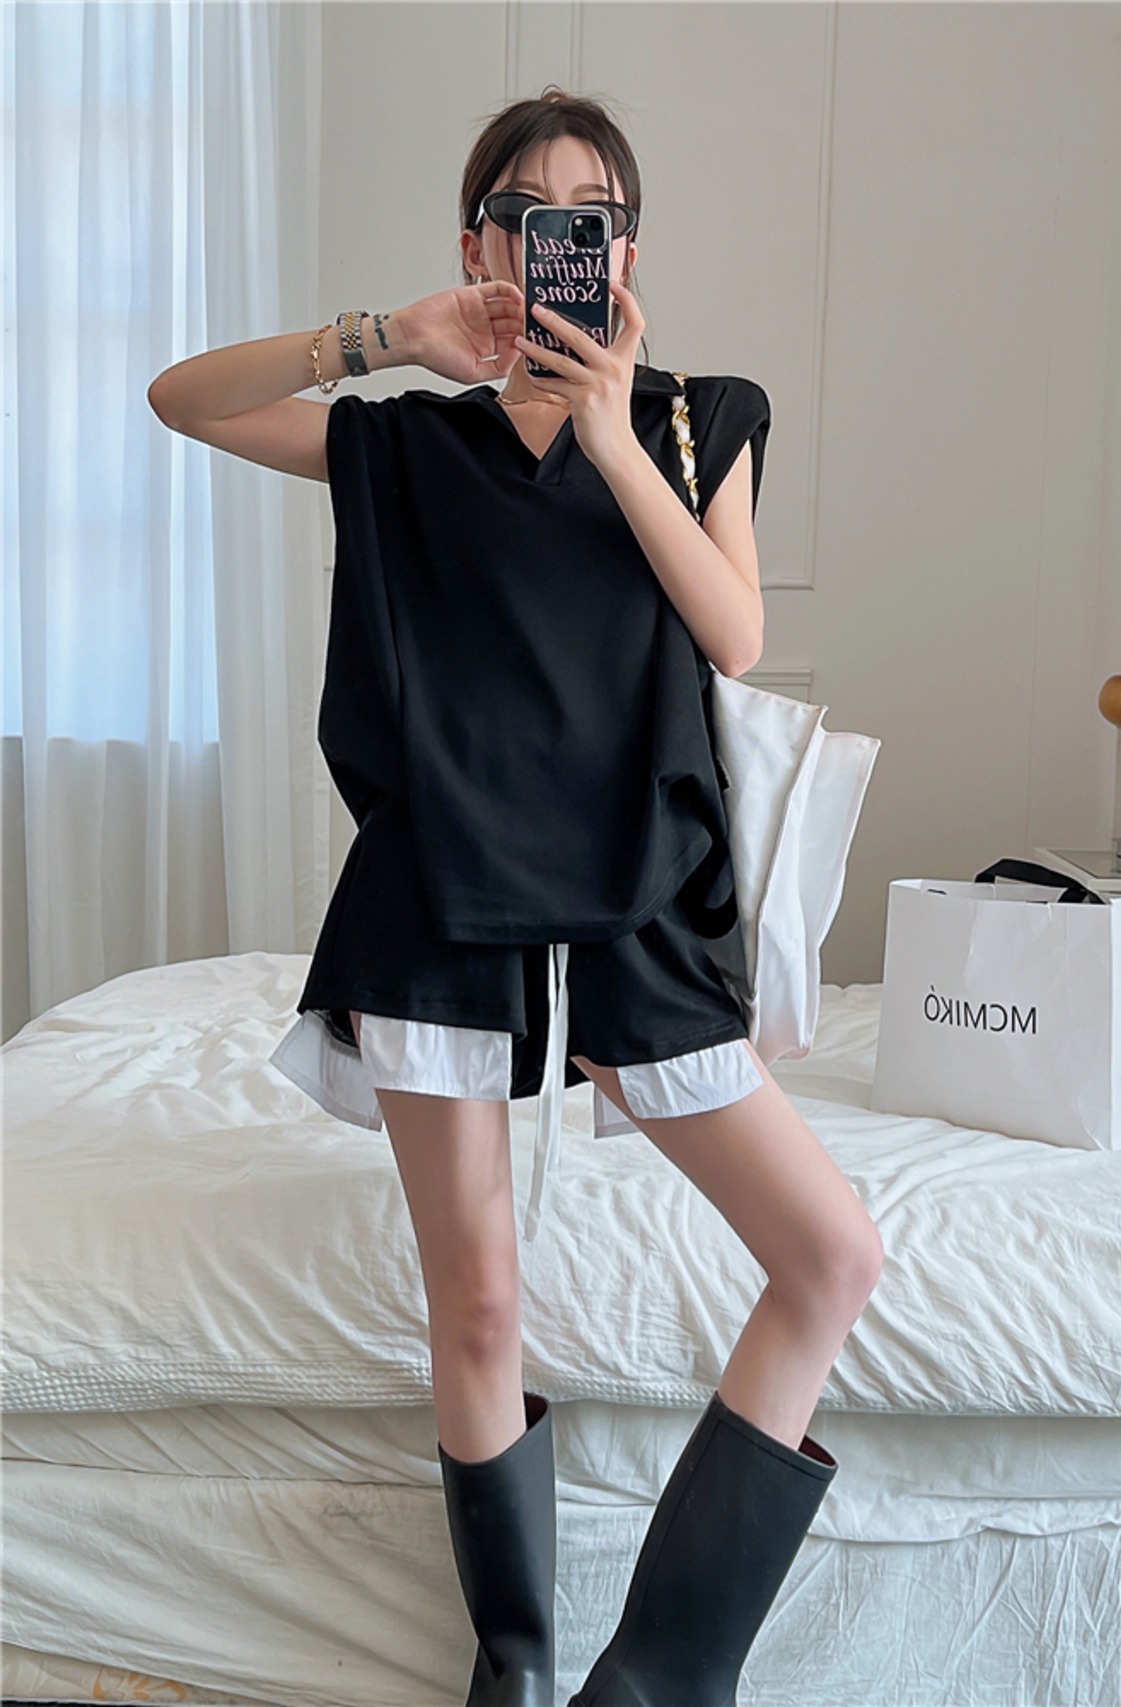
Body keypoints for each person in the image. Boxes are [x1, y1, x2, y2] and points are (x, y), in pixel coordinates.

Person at [149, 85, 883, 1707]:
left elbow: (735, 634)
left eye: (595, 217)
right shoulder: (407, 442)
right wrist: (387, 338)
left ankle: (655, 1682)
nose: (566, 239)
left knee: (830, 1256)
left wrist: (611, 430)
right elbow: (178, 400)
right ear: (484, 243)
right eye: (531, 212)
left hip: (639, 901)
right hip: (438, 897)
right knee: (478, 1300)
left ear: (627, 252)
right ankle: (522, 1671)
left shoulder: (700, 418)